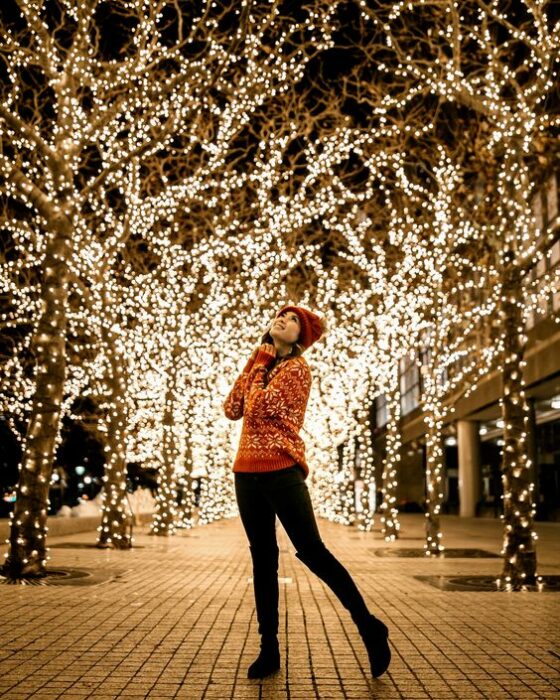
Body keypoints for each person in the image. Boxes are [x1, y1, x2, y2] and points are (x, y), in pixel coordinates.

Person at [223, 305, 391, 680]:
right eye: (281, 314)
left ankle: (368, 626)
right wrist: (257, 359)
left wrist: (262, 363)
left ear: (302, 336)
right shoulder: (262, 362)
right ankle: (269, 649)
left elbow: (260, 405)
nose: (283, 319)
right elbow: (232, 408)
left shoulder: (297, 370)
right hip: (245, 473)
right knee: (262, 562)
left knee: (313, 552)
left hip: (282, 471)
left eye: (293, 319)